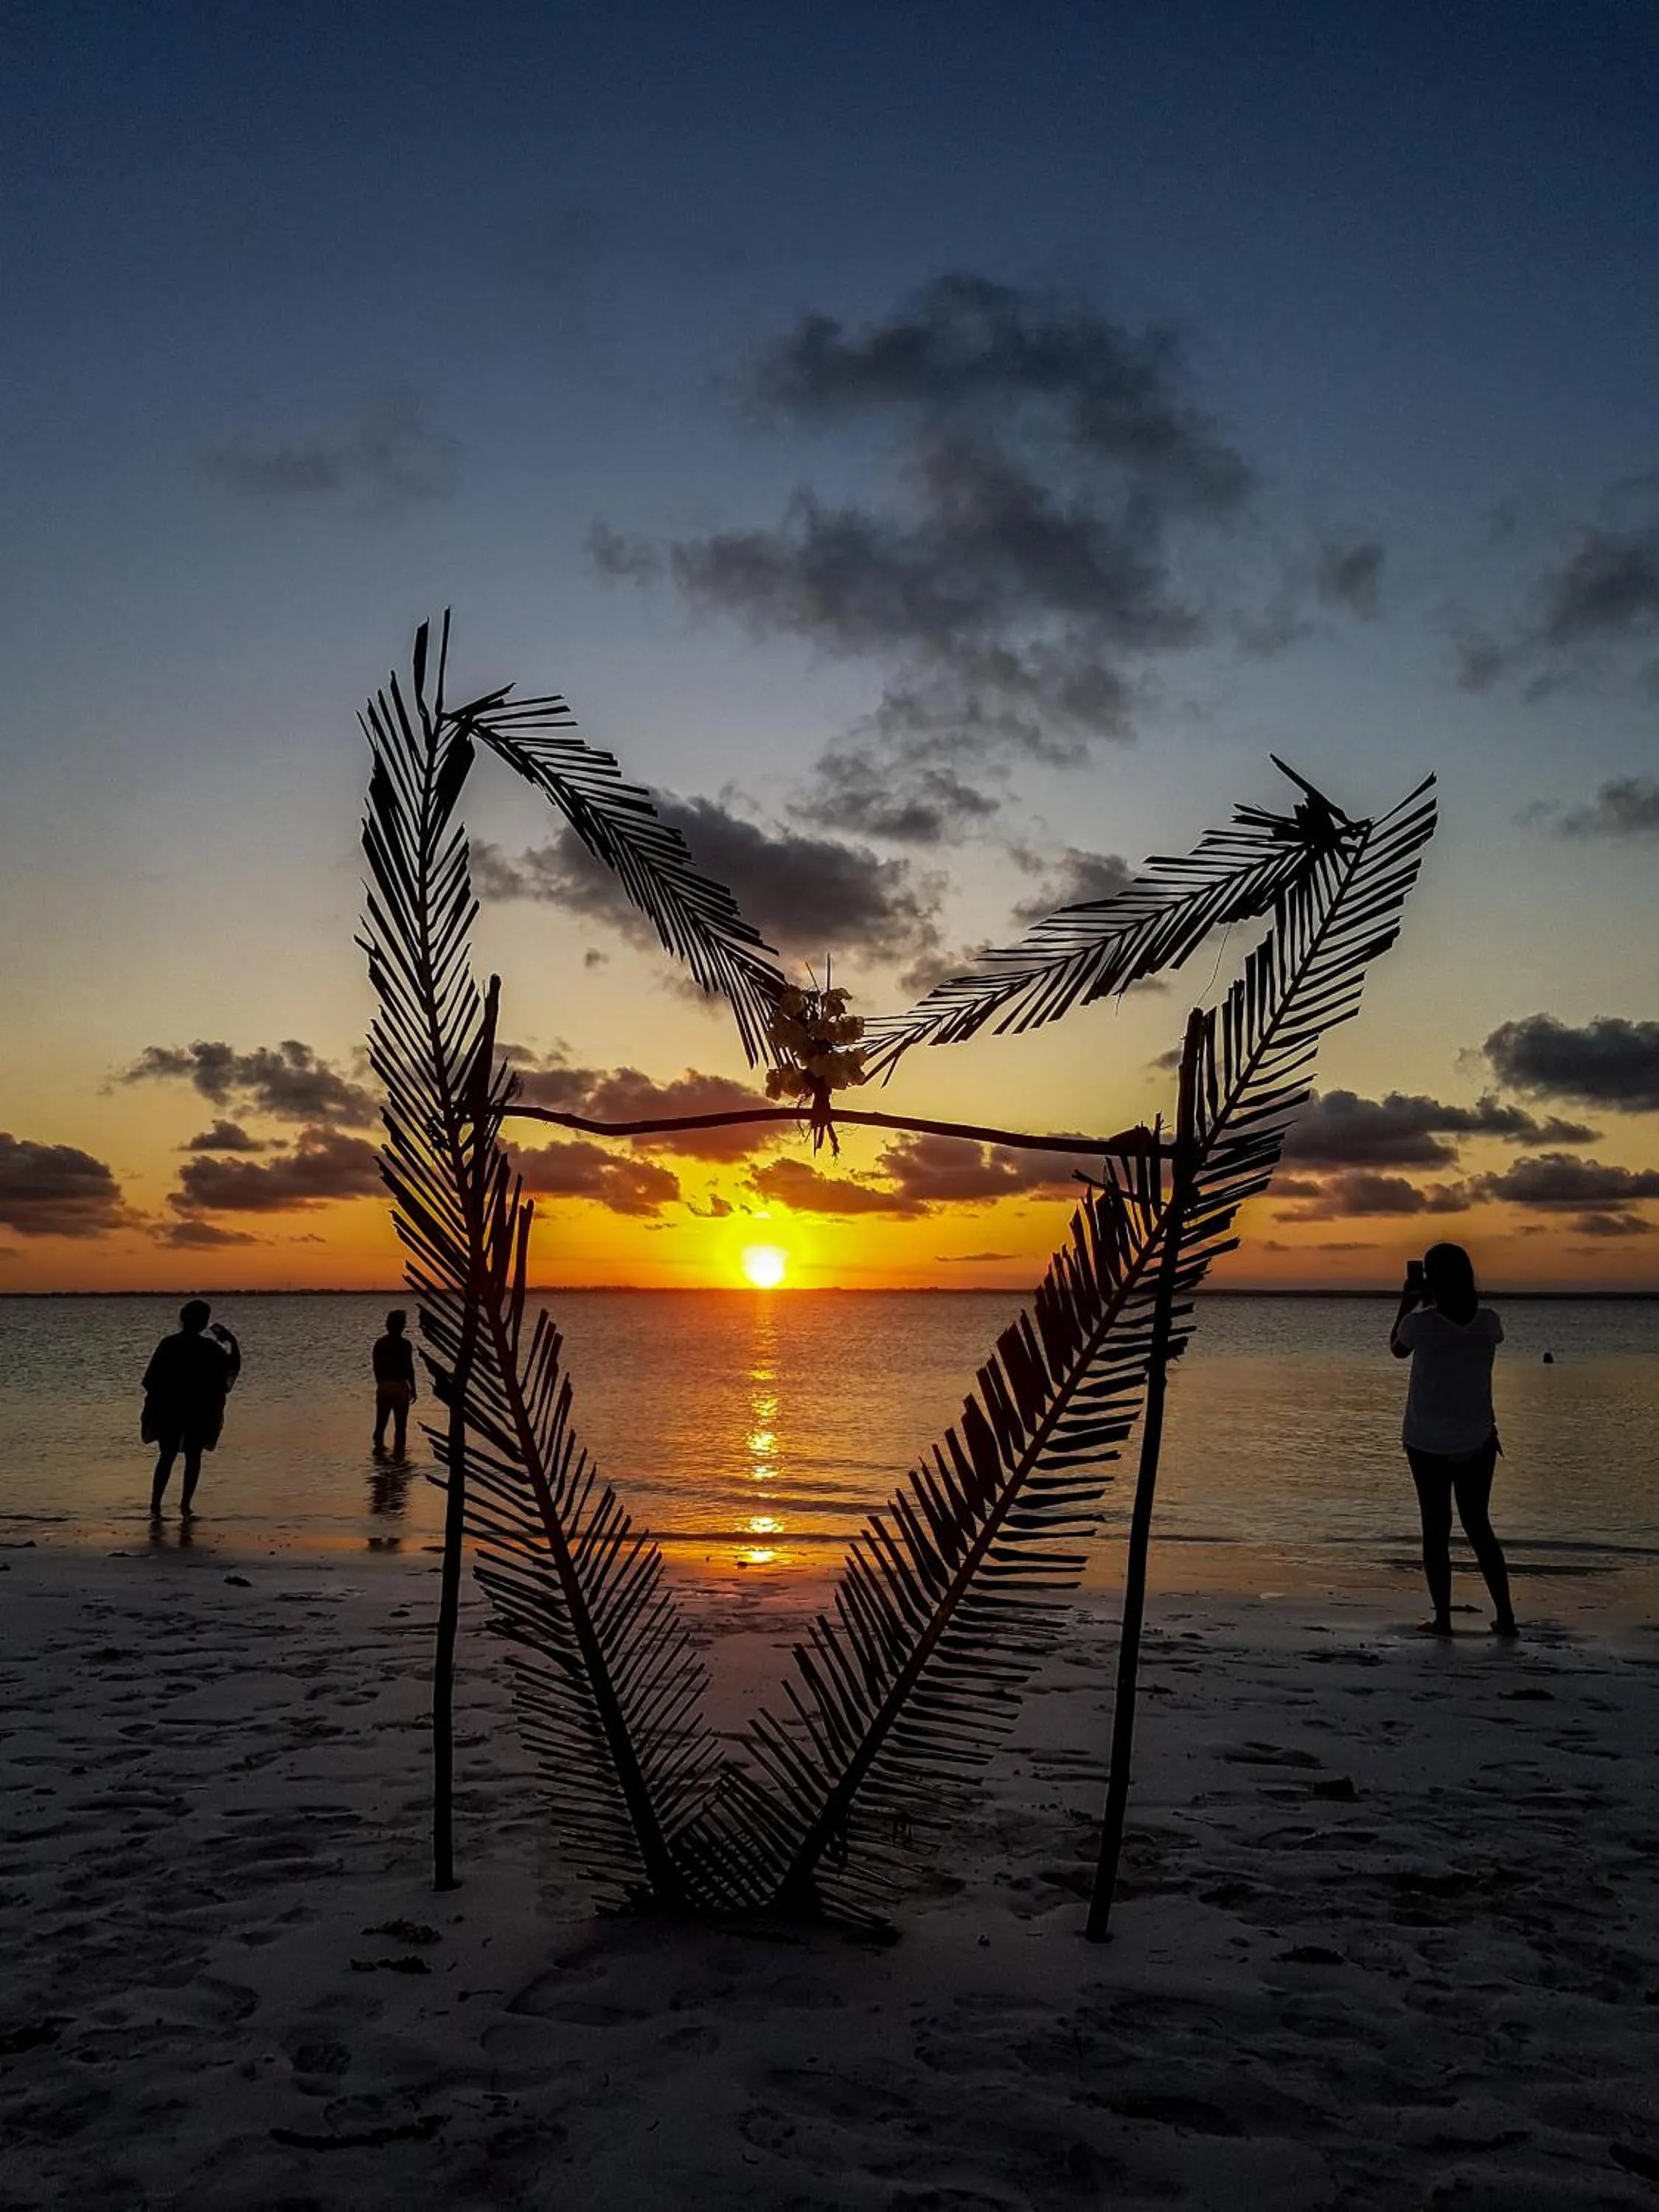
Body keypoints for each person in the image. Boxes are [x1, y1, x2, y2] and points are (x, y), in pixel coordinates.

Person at [1389, 1243, 1516, 1638]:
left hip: (1426, 1440)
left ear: (1431, 1279)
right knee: (1480, 1528)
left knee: (1436, 1530)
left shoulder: (1419, 1325)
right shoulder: (1488, 1323)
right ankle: (1506, 1617)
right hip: (1476, 1439)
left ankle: (1443, 1618)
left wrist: (1407, 1303)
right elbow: (1482, 1337)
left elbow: (1397, 1348)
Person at [142, 1300, 241, 1519]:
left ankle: (156, 1506)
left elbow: (150, 1381)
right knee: (192, 1457)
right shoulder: (208, 1348)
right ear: (202, 1322)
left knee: (167, 1456)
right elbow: (232, 1366)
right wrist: (229, 1340)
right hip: (197, 1410)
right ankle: (184, 1507)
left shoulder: (169, 1344)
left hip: (170, 1409)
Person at [372, 1310, 417, 1458]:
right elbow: (409, 1368)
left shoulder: (380, 1344)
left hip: (384, 1385)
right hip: (399, 1387)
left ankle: (379, 1456)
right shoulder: (405, 1345)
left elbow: (376, 1367)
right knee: (400, 1427)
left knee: (380, 1425)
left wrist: (381, 1384)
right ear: (402, 1326)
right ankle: (399, 1458)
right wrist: (413, 1388)